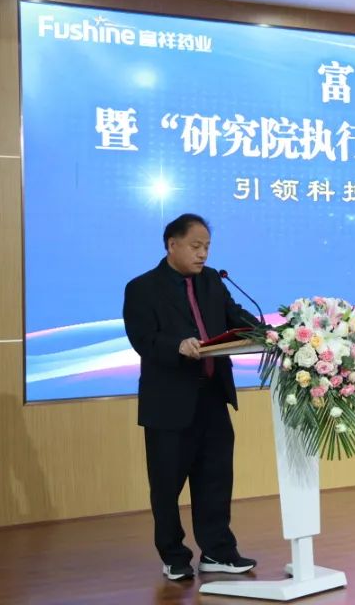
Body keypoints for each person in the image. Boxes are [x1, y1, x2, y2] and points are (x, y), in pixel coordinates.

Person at [122, 213, 260, 581]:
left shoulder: (212, 280)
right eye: (196, 246)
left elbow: (235, 317)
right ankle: (174, 555)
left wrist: (268, 332)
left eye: (207, 247)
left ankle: (217, 551)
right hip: (170, 403)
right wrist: (177, 345)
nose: (203, 254)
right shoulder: (142, 288)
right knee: (167, 485)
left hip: (213, 397)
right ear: (172, 244)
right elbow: (143, 339)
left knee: (215, 478)